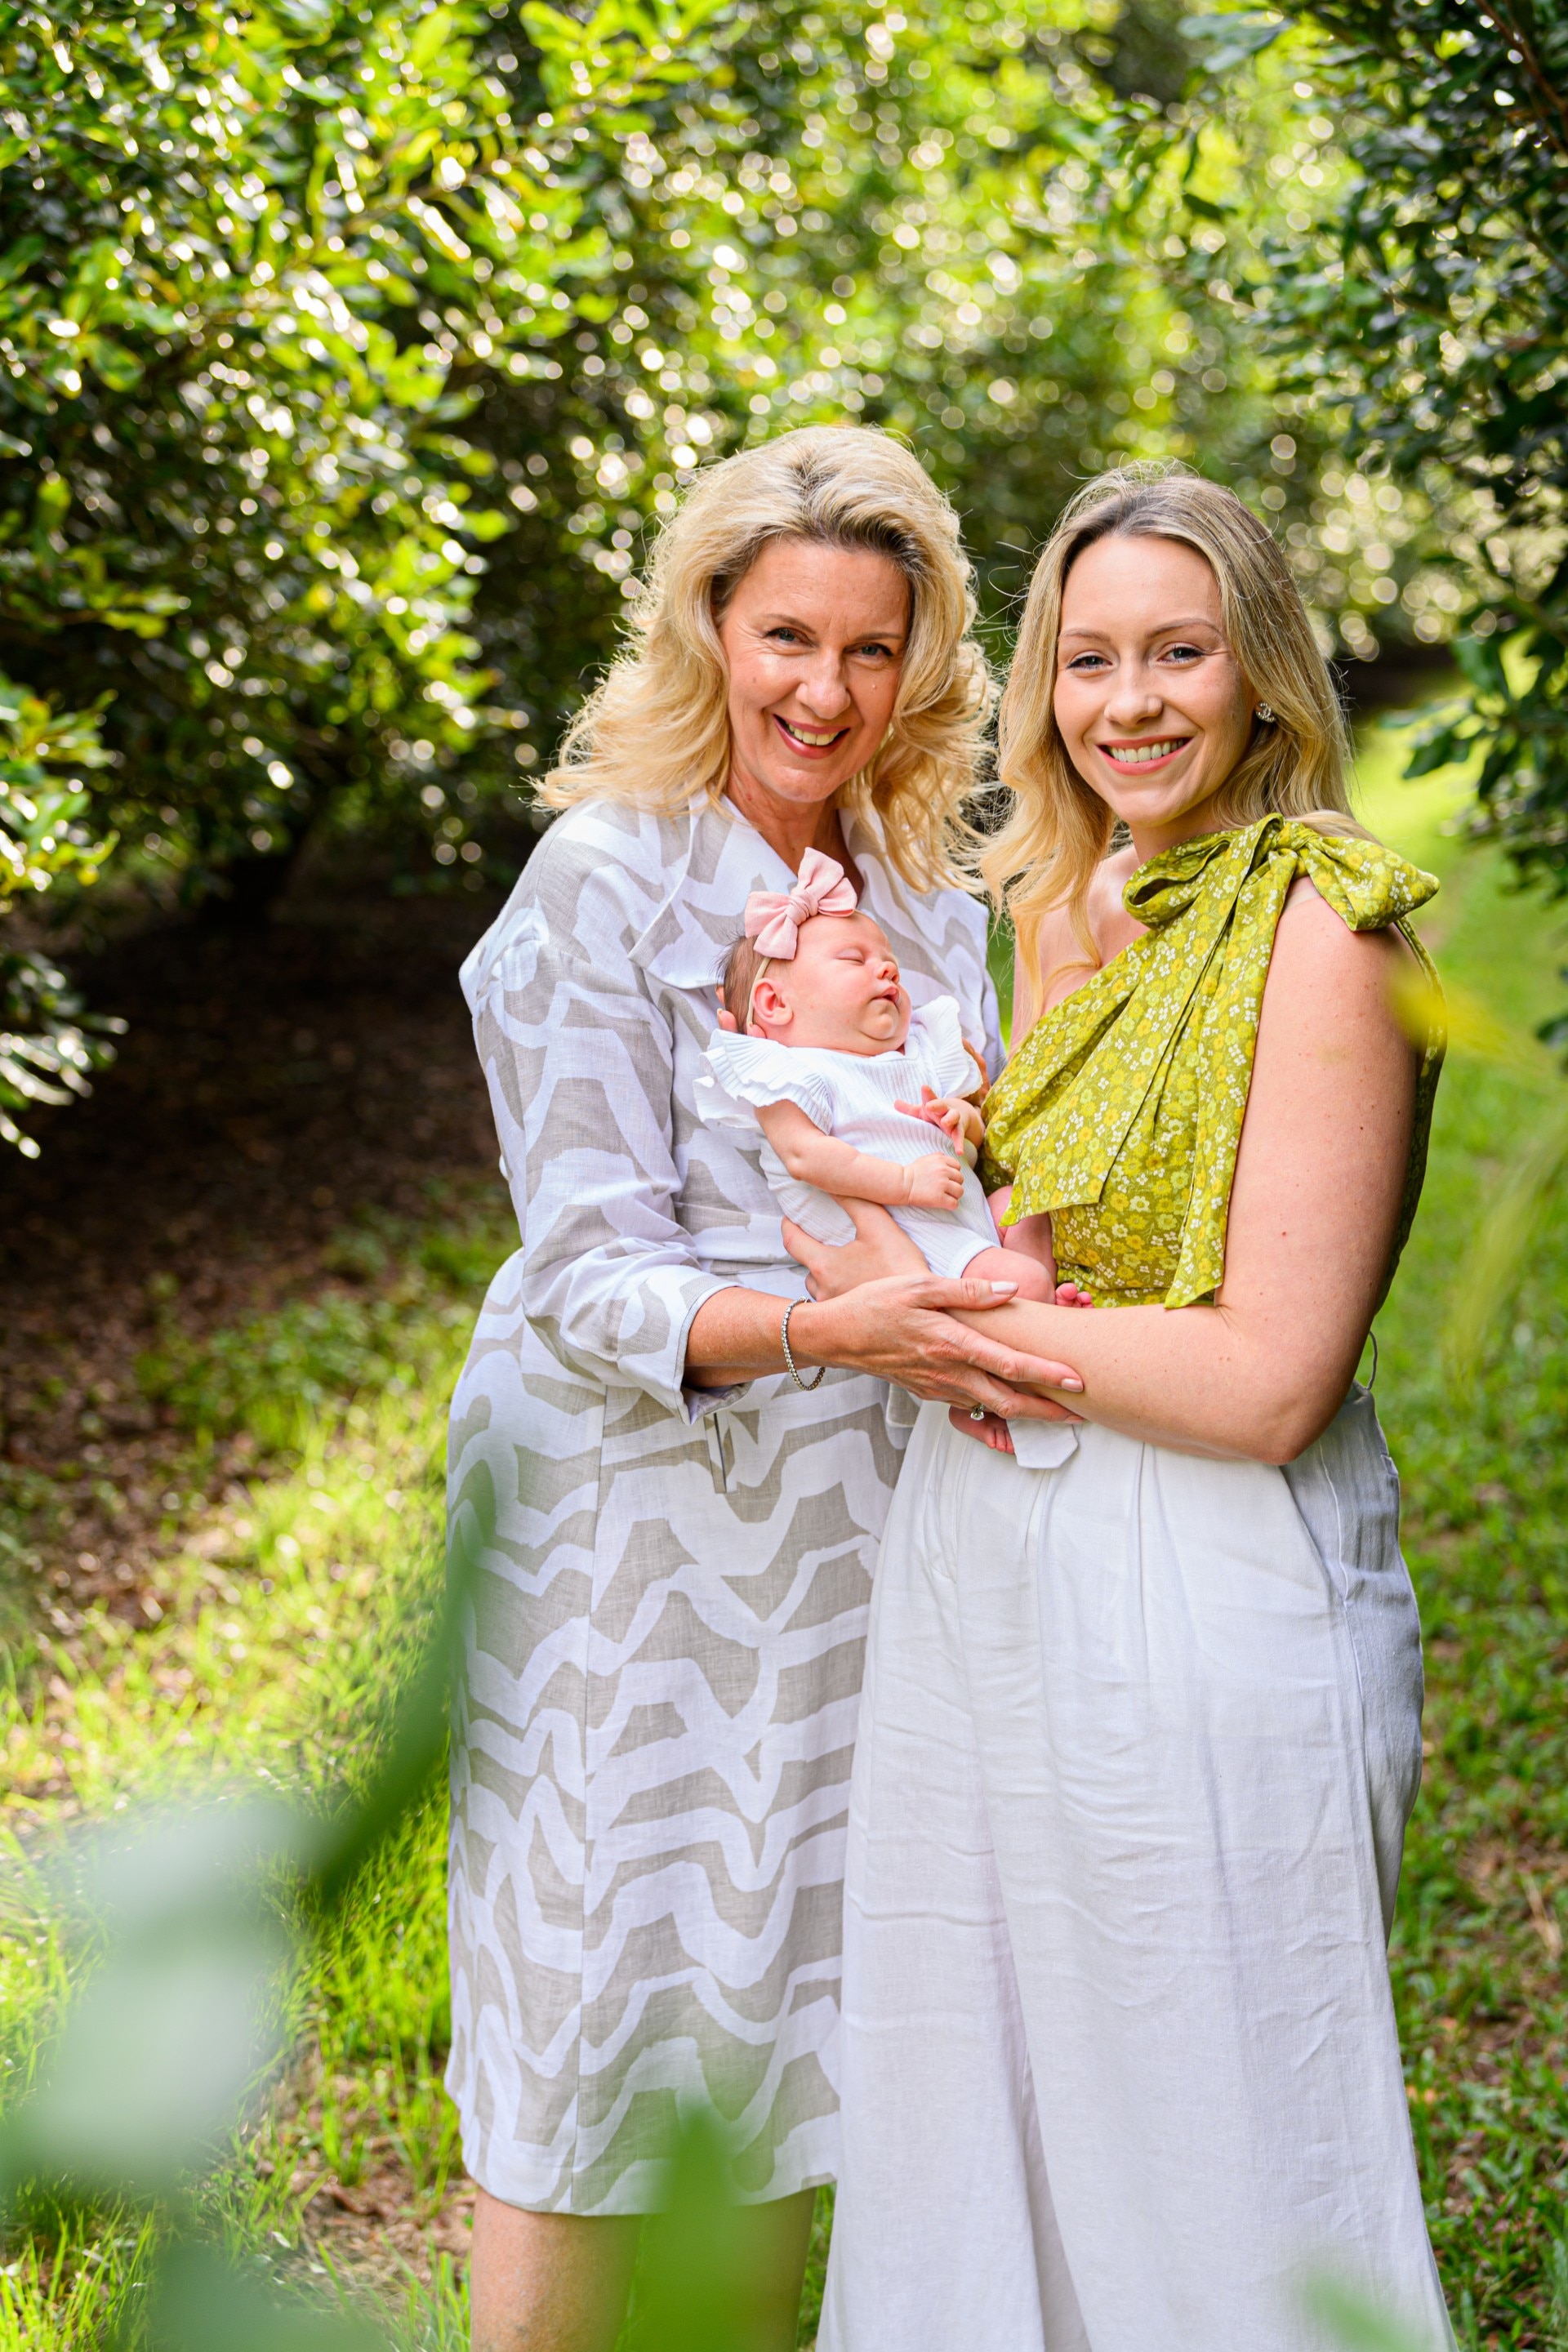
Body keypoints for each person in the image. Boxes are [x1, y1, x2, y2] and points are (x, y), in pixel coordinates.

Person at [799, 464, 1456, 2350]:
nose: (1129, 702)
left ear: (1262, 672)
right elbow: (1041, 1242)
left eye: (1178, 652)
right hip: (1001, 1564)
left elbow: (1264, 1380)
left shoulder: (1328, 928)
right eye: (1087, 659)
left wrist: (961, 1340)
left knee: (1221, 2146)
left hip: (1211, 1571)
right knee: (987, 2123)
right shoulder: (1070, 896)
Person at [445, 423, 1082, 2352]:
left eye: (871, 648)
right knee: (601, 1989)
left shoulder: (918, 896)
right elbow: (583, 1279)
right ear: (705, 622)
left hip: (861, 1531)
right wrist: (825, 1332)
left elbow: (958, 1175)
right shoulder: (603, 879)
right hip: (628, 1524)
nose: (823, 688)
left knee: (802, 1993)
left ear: (927, 663)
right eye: (784, 633)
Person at [697, 846, 1067, 1300]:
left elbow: (970, 1149)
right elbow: (805, 1157)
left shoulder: (921, 1048)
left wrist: (960, 1119)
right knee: (1024, 1280)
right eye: (855, 960)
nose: (888, 968)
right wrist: (906, 1183)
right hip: (914, 1236)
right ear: (775, 1004)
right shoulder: (792, 1073)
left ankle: (1037, 1308)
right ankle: (1038, 1307)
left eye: (889, 960)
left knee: (1025, 1205)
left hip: (960, 1217)